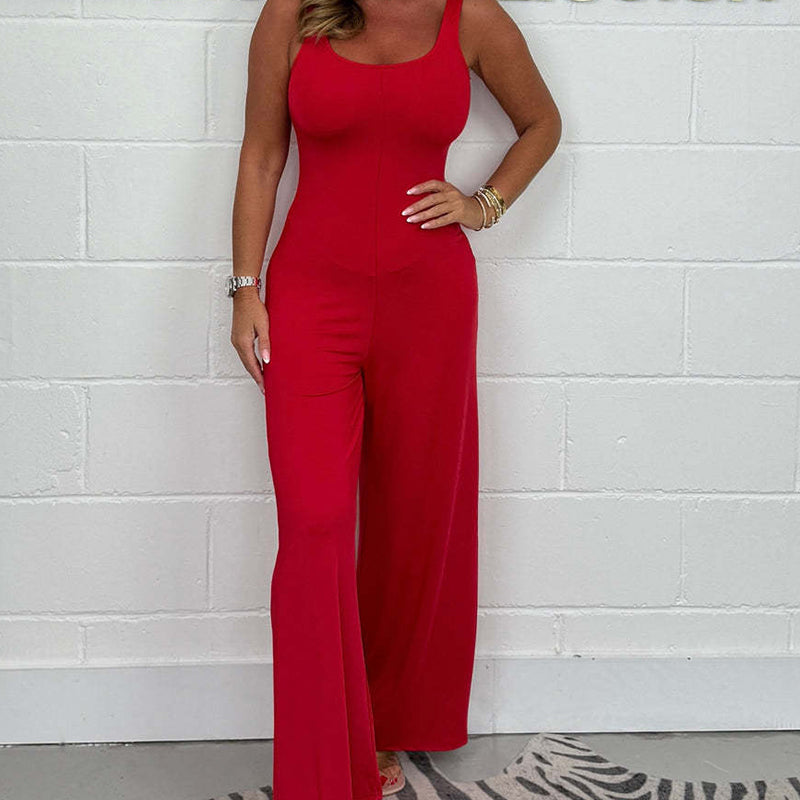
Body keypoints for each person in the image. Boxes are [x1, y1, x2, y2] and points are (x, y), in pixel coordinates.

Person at [229, 0, 561, 795]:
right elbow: (263, 154)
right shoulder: (295, 13)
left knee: (415, 515)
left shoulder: (470, 18)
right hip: (312, 298)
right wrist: (244, 289)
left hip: (430, 298)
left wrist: (483, 204)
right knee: (314, 520)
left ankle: (385, 724)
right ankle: (322, 761)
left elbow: (542, 124)